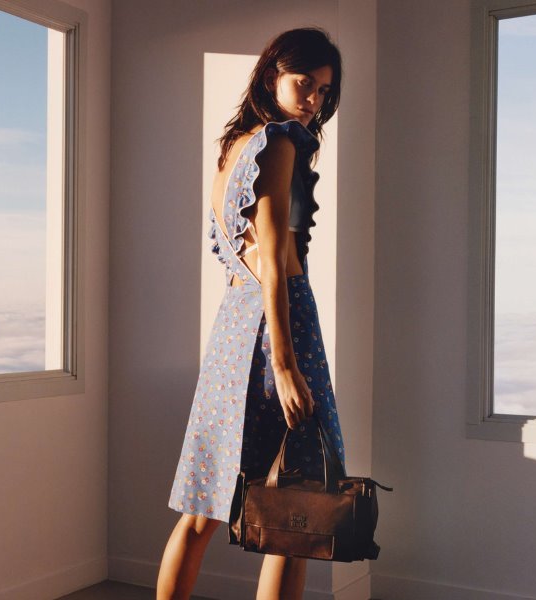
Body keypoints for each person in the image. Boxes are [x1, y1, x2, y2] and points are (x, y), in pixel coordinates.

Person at [156, 28, 345, 600]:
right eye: (303, 83)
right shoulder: (280, 142)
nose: (313, 100)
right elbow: (273, 256)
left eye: (323, 91)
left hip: (235, 326)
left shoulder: (234, 149)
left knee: (201, 510)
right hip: (281, 325)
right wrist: (285, 364)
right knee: (298, 509)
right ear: (271, 76)